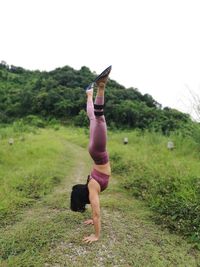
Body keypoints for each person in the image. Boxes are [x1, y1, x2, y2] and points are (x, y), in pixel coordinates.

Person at [70, 66, 112, 243]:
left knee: (99, 118)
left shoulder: (92, 189)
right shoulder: (89, 185)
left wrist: (96, 235)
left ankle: (101, 86)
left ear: (85, 195)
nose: (89, 203)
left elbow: (97, 212)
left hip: (98, 151)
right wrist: (91, 220)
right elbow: (93, 213)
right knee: (94, 119)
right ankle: (89, 93)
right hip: (95, 153)